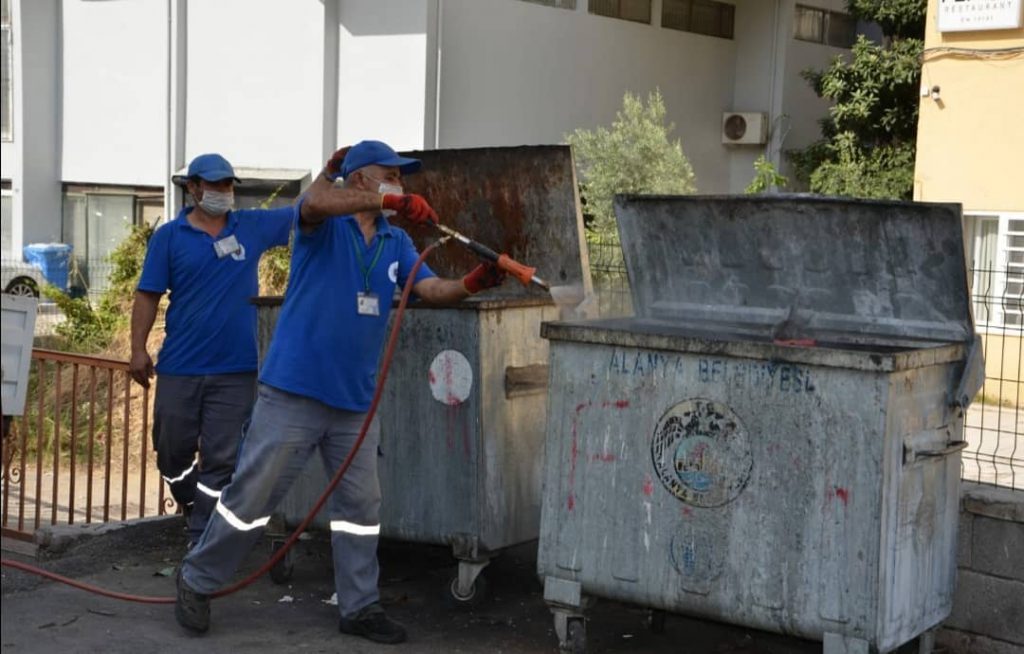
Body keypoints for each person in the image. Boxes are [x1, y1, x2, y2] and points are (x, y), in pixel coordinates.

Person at [175, 140, 507, 644]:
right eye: (388, 175)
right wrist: (382, 201)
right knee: (250, 498)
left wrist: (474, 282)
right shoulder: (323, 224)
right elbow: (312, 203)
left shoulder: (395, 243)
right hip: (294, 392)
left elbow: (429, 289)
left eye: (401, 179)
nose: (400, 184)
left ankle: (359, 606)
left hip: (354, 402)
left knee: (360, 510)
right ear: (358, 181)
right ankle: (196, 581)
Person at [131, 153, 296, 547]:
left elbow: (306, 212)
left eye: (228, 184)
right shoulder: (170, 237)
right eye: (215, 184)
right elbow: (147, 295)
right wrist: (137, 349)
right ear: (193, 188)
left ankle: (201, 537)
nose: (223, 192)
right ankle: (194, 506)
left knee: (222, 460)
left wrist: (342, 184)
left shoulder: (250, 226)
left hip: (236, 370)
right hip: (180, 367)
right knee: (170, 452)